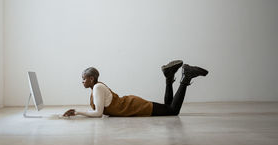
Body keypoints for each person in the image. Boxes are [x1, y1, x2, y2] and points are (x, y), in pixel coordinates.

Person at [63, 60, 209, 117]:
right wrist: (77, 112)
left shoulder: (97, 88)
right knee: (168, 108)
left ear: (91, 79)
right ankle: (169, 77)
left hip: (134, 106)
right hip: (131, 105)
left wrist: (76, 112)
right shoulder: (97, 88)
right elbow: (97, 112)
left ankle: (186, 77)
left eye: (84, 78)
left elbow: (98, 113)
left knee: (172, 111)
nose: (82, 81)